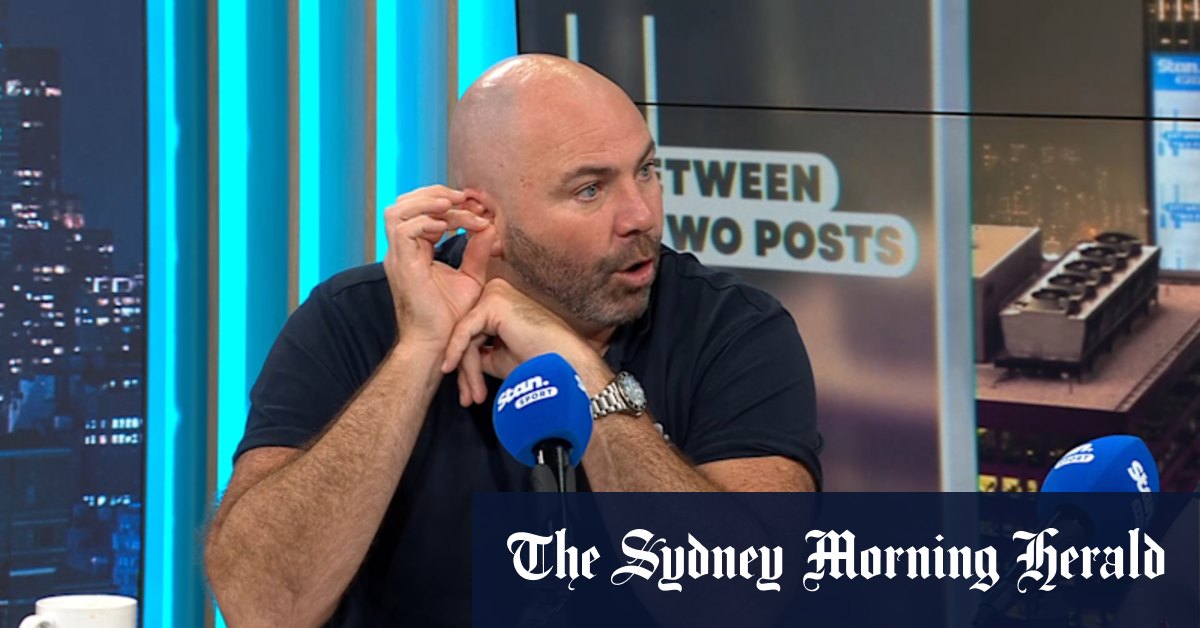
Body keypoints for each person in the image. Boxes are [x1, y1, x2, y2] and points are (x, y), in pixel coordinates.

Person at [203, 54, 822, 627]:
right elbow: (261, 608)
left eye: (646, 170)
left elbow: (742, 600)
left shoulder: (732, 330)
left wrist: (583, 373)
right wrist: (416, 353)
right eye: (590, 189)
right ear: (484, 219)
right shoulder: (351, 321)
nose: (641, 215)